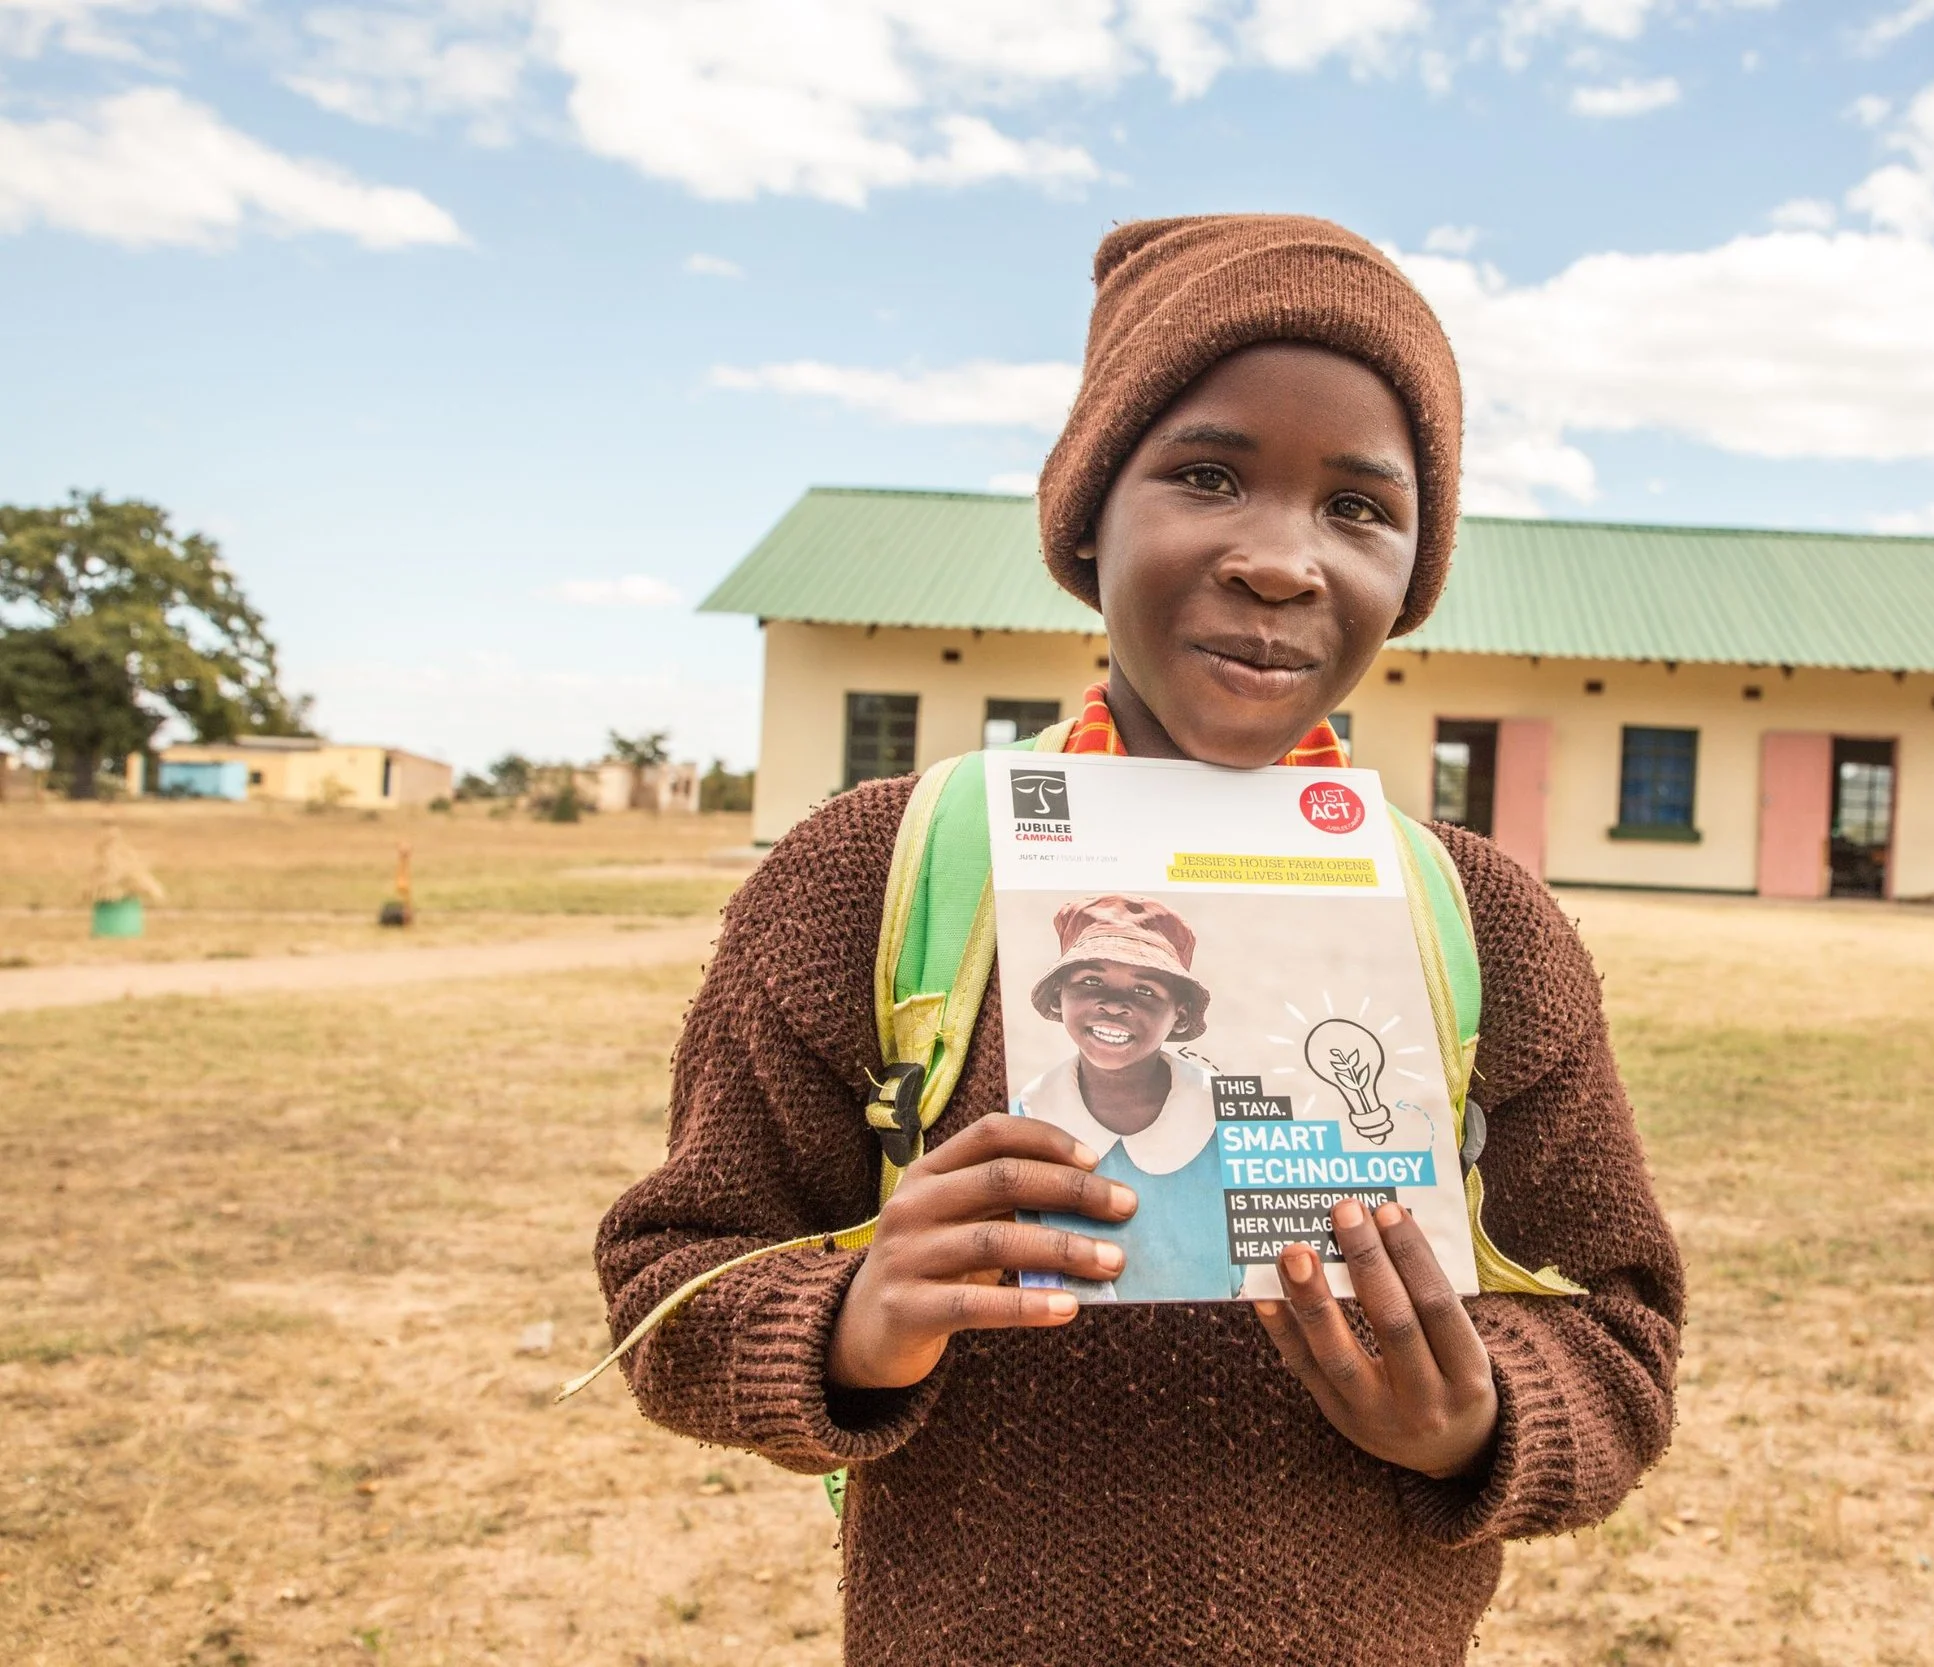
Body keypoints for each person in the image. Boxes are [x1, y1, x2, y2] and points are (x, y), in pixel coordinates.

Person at [597, 214, 1685, 1665]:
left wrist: (1480, 1413)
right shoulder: (877, 870)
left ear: (1416, 567)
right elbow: (672, 1279)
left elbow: (1624, 1338)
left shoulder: (1480, 916)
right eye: (1209, 474)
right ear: (1089, 513)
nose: (1282, 560)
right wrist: (851, 1320)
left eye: (1359, 507)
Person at [1013, 894, 1232, 1302]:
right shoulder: (1026, 1120)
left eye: (1145, 990)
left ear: (1180, 1013)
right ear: (1059, 995)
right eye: (1090, 981)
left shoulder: (1230, 1118)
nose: (1114, 1004)